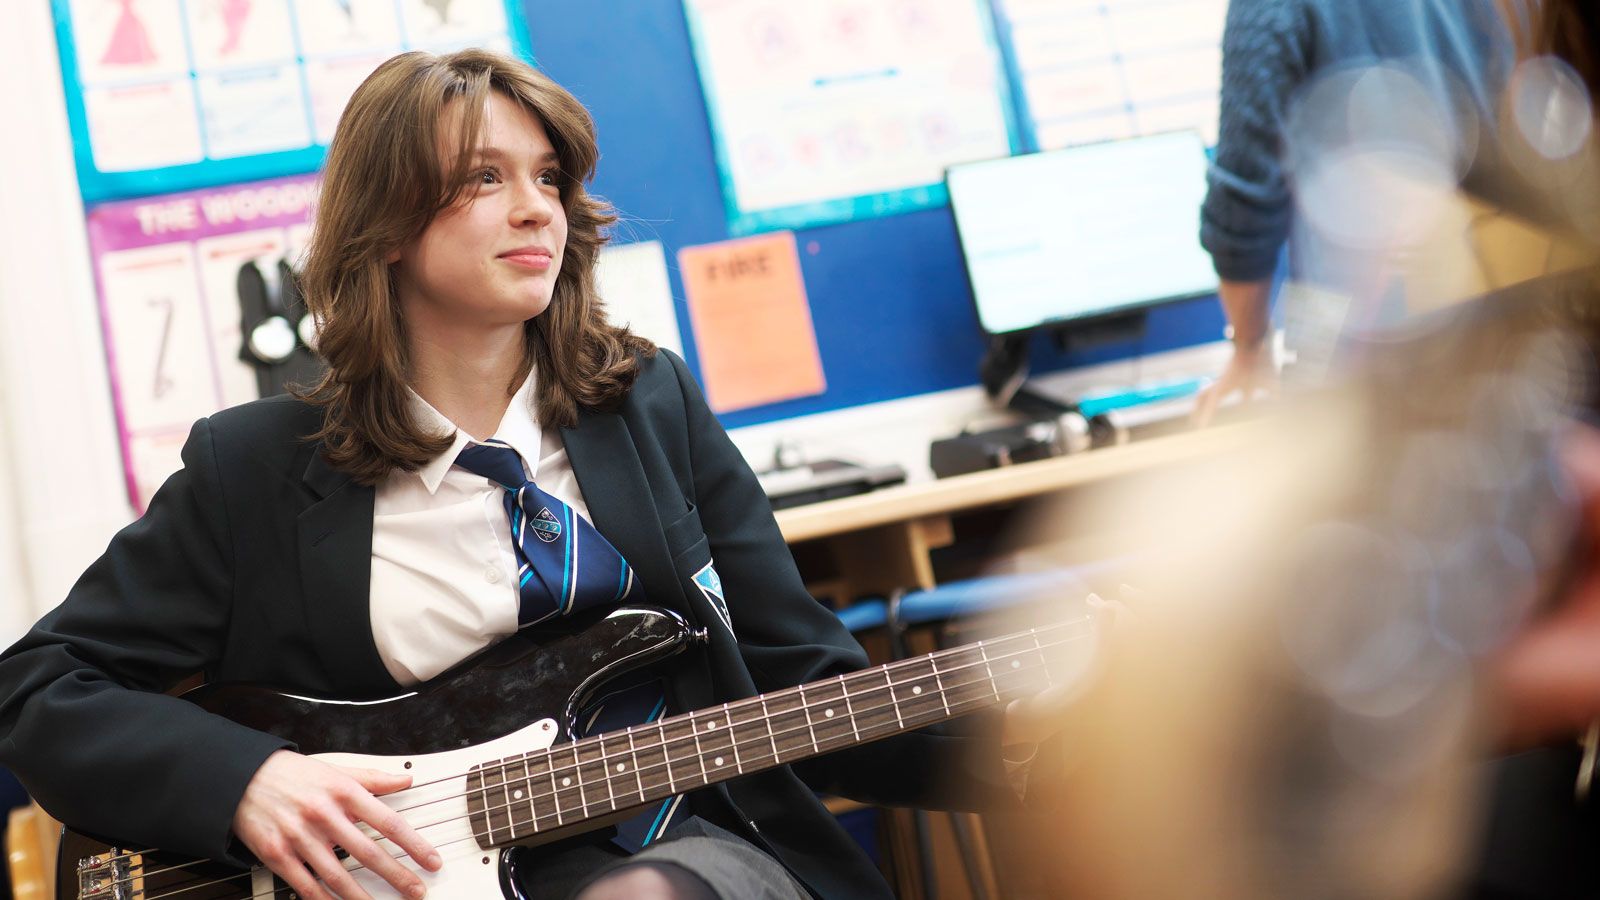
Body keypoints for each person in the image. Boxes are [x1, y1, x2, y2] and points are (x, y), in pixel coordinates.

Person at [0, 50, 1055, 900]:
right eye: (484, 179)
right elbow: (42, 687)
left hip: (687, 852)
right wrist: (248, 780)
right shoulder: (255, 470)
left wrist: (1045, 751)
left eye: (548, 177)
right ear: (386, 226)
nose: (536, 208)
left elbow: (800, 688)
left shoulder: (650, 404)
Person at [1193, 0, 1514, 425]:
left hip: (1347, 318)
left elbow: (1244, 201)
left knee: (1333, 451)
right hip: (1498, 297)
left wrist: (1249, 349)